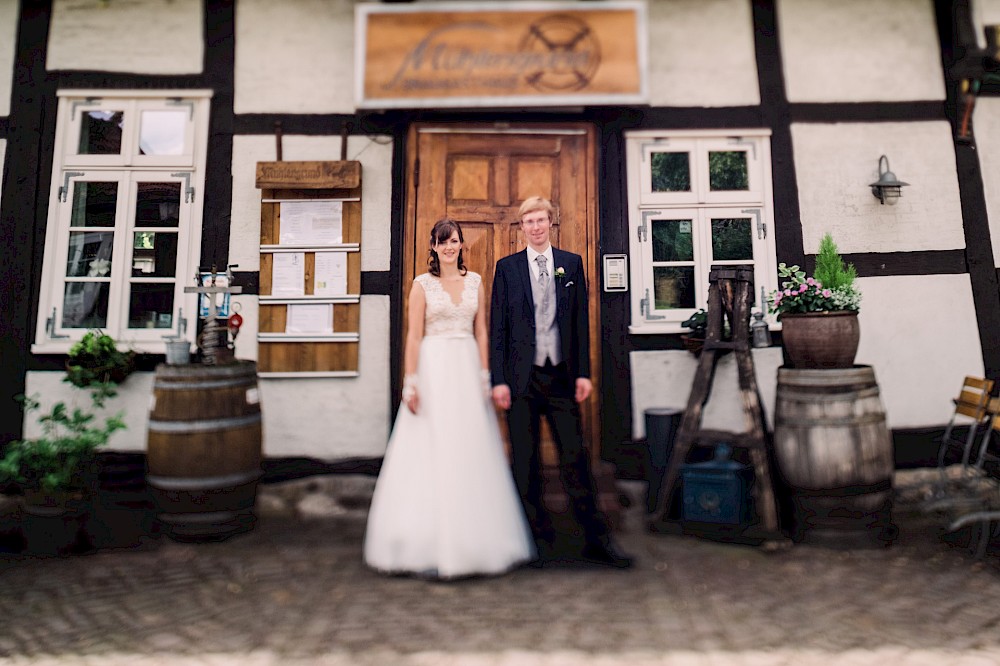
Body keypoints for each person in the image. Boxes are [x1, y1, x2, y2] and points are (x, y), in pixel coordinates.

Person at [364, 219, 535, 579]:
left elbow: (483, 331)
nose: (449, 247)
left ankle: (477, 541)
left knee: (469, 446)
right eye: (443, 242)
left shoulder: (474, 281)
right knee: (430, 446)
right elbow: (413, 336)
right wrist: (411, 382)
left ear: (461, 245)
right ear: (433, 246)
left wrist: (486, 375)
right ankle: (423, 543)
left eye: (454, 241)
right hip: (433, 367)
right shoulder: (421, 285)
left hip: (467, 368)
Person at [490, 196, 632, 569]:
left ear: (551, 223)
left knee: (575, 456)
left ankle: (597, 542)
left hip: (561, 375)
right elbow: (498, 329)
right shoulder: (506, 269)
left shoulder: (571, 264)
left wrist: (583, 372)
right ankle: (532, 544)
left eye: (541, 220)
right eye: (529, 222)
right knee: (526, 459)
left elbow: (580, 323)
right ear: (521, 227)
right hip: (521, 378)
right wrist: (499, 380)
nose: (535, 227)